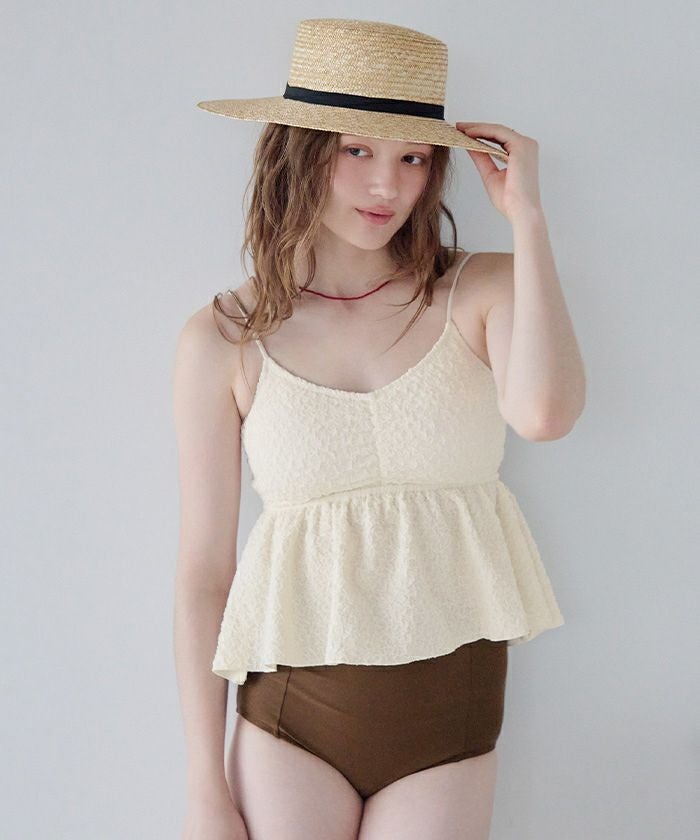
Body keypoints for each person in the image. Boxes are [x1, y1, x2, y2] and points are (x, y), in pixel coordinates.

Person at [173, 18, 585, 840]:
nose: (386, 186)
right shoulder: (224, 338)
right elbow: (203, 576)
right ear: (298, 153)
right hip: (292, 717)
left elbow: (545, 415)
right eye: (355, 151)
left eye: (413, 158)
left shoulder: (482, 289)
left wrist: (529, 219)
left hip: (449, 721)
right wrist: (204, 792)